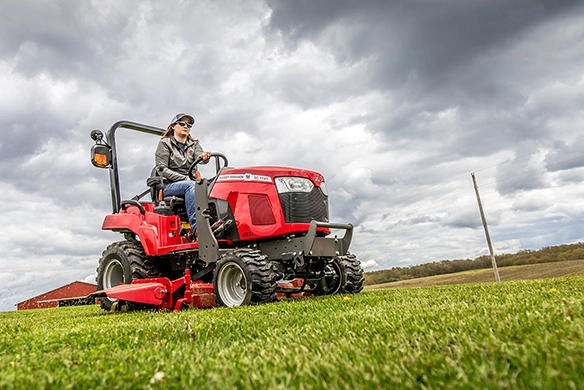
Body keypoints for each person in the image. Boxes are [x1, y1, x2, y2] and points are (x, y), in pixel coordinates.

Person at [155, 113, 211, 236]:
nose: (186, 126)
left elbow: (199, 156)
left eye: (189, 125)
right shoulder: (165, 143)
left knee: (215, 185)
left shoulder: (194, 144)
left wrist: (204, 157)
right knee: (191, 185)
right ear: (173, 126)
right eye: (182, 123)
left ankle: (216, 224)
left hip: (190, 182)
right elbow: (162, 169)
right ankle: (198, 229)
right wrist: (184, 178)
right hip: (169, 186)